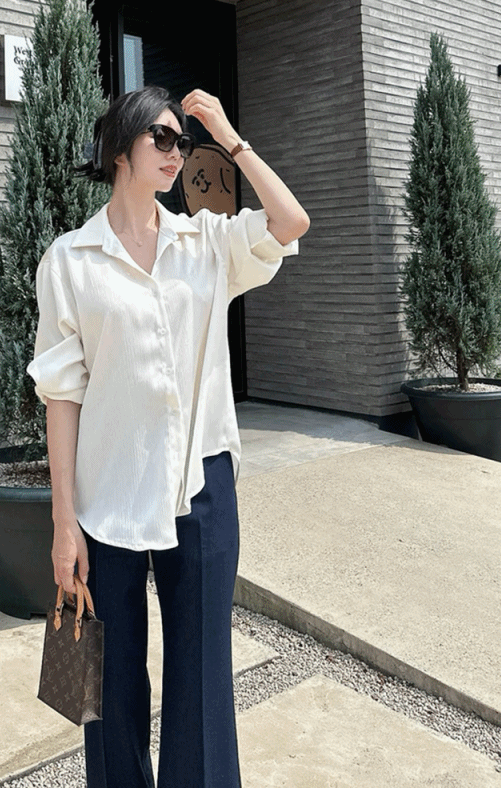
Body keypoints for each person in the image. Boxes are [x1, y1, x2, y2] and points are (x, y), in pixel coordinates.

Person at [27, 85, 309, 788]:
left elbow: (290, 221)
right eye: (161, 137)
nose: (177, 151)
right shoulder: (70, 260)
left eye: (183, 141)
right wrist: (63, 523)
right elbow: (62, 397)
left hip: (200, 486)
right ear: (119, 149)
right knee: (109, 683)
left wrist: (228, 136)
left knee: (203, 680)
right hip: (107, 495)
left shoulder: (205, 241)